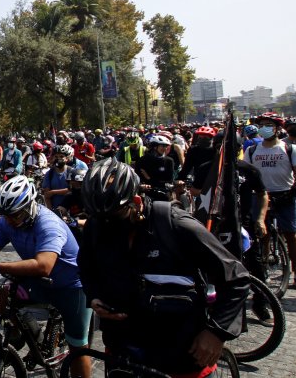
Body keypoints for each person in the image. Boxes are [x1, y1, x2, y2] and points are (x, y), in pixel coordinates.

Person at [77, 160, 250, 377]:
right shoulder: (98, 225)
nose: (107, 225)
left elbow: (237, 278)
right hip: (124, 350)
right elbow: (86, 268)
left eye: (114, 216)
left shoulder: (176, 225)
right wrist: (94, 297)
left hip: (180, 353)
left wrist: (216, 333)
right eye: (99, 218)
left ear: (136, 202)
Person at [0, 175, 93, 378]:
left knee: (78, 349)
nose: (10, 221)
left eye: (15, 215)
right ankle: (25, 334)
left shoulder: (48, 224)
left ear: (30, 207)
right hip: (38, 281)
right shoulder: (8, 221)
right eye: (7, 215)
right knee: (5, 294)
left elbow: (43, 266)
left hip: (71, 286)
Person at [243, 112, 296, 292]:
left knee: (292, 236)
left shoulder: (290, 149)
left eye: (268, 125)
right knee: (260, 236)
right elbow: (246, 172)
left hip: (286, 196)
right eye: (262, 124)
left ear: (278, 128)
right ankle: (262, 269)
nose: (264, 128)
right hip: (261, 197)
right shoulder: (252, 150)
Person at [136, 135, 176, 201]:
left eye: (166, 146)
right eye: (163, 146)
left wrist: (149, 178)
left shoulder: (169, 161)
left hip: (162, 192)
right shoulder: (142, 160)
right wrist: (142, 185)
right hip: (145, 191)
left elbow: (169, 180)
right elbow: (138, 176)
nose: (165, 148)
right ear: (155, 147)